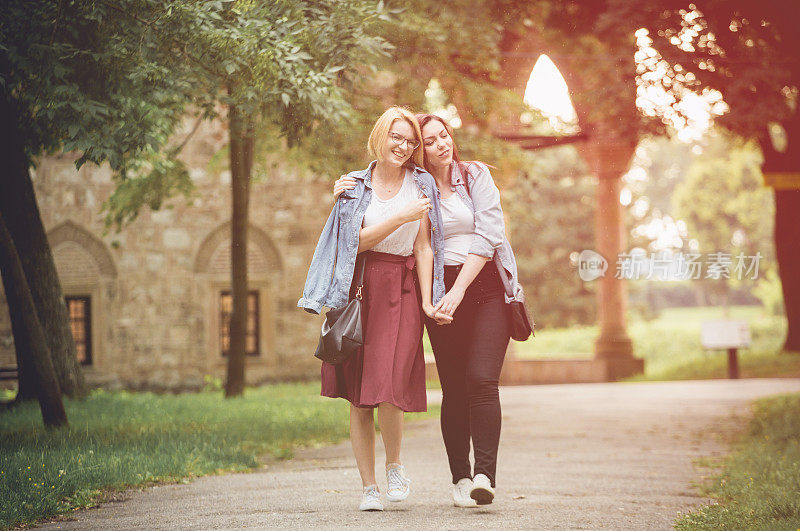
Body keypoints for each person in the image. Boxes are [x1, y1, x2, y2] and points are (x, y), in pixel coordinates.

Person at [333, 113, 524, 508]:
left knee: (482, 380)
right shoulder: (417, 186)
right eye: (431, 140)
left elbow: (488, 235)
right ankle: (460, 478)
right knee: (453, 388)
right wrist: (343, 187)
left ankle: (485, 475)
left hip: (482, 286)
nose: (441, 144)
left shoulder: (474, 177)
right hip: (437, 290)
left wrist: (453, 291)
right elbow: (387, 224)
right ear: (420, 149)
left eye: (445, 136)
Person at [299, 106, 450, 511]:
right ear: (381, 136)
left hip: (401, 289)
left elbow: (423, 246)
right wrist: (400, 215)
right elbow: (352, 244)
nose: (403, 146)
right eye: (396, 137)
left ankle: (395, 465)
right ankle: (368, 487)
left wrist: (427, 300)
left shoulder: (421, 184)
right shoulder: (354, 186)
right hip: (359, 288)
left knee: (389, 384)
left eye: (410, 140)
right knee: (359, 394)